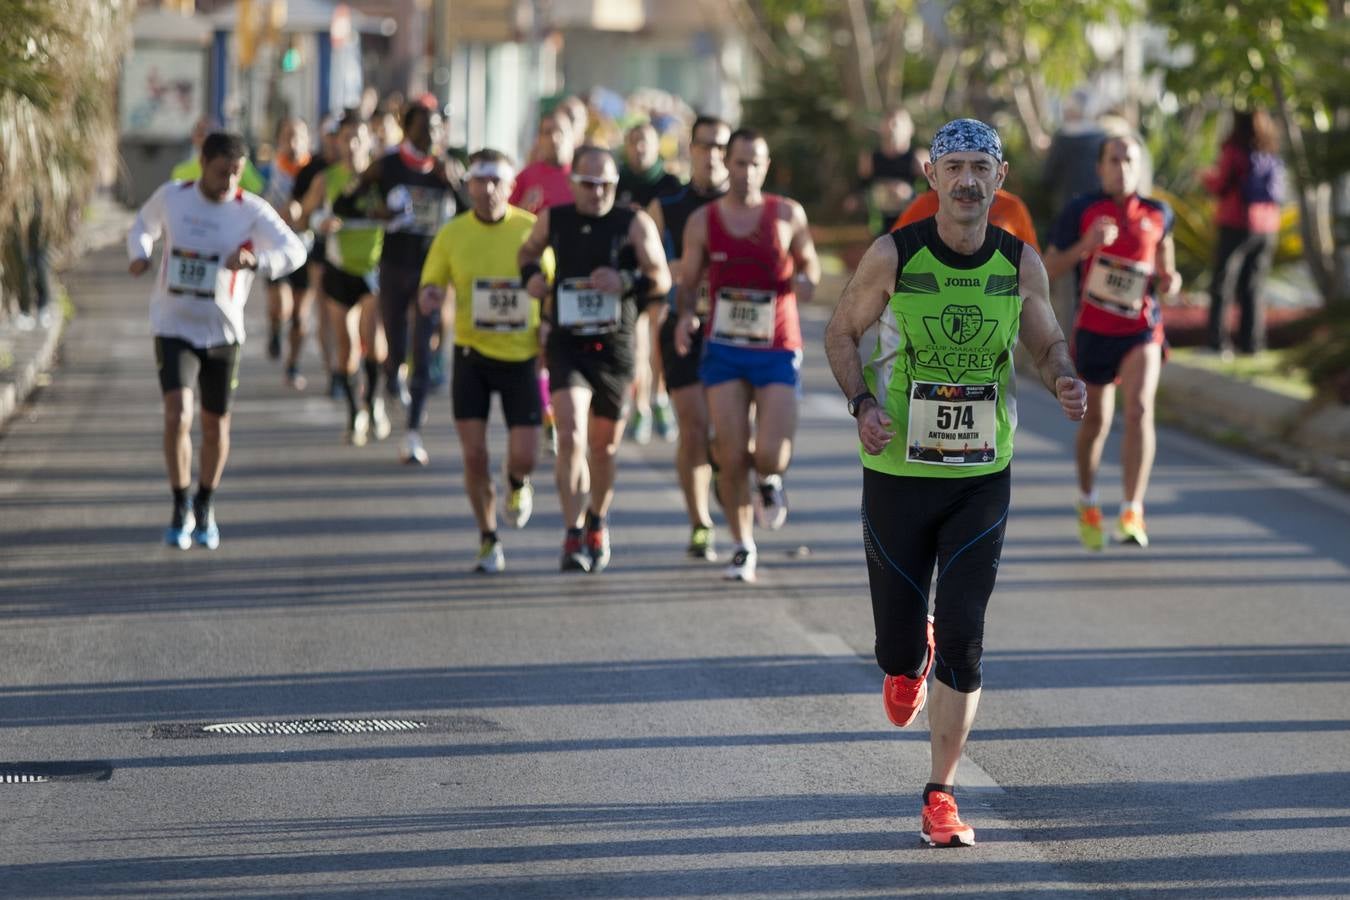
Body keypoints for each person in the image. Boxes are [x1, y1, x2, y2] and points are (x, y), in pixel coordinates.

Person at [823, 118, 1086, 847]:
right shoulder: (893, 256)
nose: (968, 180)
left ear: (1000, 178)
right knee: (899, 652)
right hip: (898, 475)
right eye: (955, 167)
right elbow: (840, 332)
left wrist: (1064, 376)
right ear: (932, 179)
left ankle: (940, 794)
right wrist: (863, 404)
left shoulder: (1018, 261)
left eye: (982, 167)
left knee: (967, 636)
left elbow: (1045, 340)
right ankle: (909, 660)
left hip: (981, 476)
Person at [128, 131, 307, 549]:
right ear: (203, 164)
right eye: (221, 171)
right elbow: (143, 225)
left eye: (236, 173)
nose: (228, 181)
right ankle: (179, 502)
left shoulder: (250, 209)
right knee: (177, 414)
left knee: (214, 425)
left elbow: (294, 251)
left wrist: (255, 260)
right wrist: (138, 254)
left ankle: (205, 502)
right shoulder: (174, 196)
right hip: (173, 325)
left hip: (223, 331)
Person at [673, 128, 821, 583]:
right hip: (724, 348)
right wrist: (684, 317)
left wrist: (806, 283)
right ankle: (742, 545)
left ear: (766, 165)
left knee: (772, 452)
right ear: (727, 163)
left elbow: (810, 264)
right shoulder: (703, 220)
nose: (746, 171)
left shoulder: (786, 214)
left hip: (776, 345)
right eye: (739, 162)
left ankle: (771, 481)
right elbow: (688, 281)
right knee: (731, 453)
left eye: (755, 162)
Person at [518, 145, 672, 573]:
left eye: (606, 184)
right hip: (568, 342)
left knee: (603, 449)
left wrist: (623, 279)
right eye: (588, 184)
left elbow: (661, 276)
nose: (597, 192)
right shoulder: (556, 218)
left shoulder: (633, 222)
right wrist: (532, 279)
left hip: (616, 349)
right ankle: (571, 534)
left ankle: (597, 520)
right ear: (573, 183)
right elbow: (527, 252)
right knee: (570, 436)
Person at [1044, 133, 1182, 550]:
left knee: (1140, 409)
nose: (1121, 167)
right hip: (1094, 332)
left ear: (1139, 166)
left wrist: (1170, 281)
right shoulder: (1081, 210)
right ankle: (1088, 501)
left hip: (1141, 330)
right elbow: (1047, 268)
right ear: (1100, 167)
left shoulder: (1158, 212)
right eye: (1114, 159)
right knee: (1096, 423)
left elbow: (1166, 269)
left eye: (1129, 159)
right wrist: (1087, 247)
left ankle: (1132, 510)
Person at [420, 149, 550, 571]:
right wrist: (431, 296)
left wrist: (547, 330)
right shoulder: (453, 233)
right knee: (474, 456)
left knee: (526, 455)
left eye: (497, 180)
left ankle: (516, 482)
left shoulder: (531, 231)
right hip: (471, 356)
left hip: (521, 357)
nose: (488, 189)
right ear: (469, 185)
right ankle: (488, 536)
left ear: (513, 187)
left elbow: (552, 288)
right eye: (480, 180)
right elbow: (431, 284)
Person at [346, 101, 463, 465]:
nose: (432, 134)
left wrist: (455, 184)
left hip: (432, 267)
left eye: (437, 128)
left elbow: (470, 213)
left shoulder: (448, 167)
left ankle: (412, 433)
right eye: (424, 127)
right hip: (395, 265)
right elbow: (344, 203)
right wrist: (375, 213)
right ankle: (393, 377)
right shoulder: (387, 165)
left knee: (423, 346)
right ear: (406, 128)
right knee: (396, 346)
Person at [650, 114, 732, 561]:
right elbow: (654, 267)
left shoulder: (748, 206)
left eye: (722, 147)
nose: (713, 155)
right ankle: (700, 522)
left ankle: (726, 466)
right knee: (694, 428)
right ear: (691, 150)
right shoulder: (668, 206)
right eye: (705, 146)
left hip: (738, 331)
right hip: (683, 324)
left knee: (733, 434)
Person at [301, 111, 391, 446]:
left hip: (373, 268)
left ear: (370, 141)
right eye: (346, 139)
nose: (352, 145)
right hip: (339, 269)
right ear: (336, 142)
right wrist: (319, 223)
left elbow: (400, 209)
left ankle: (375, 401)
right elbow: (305, 214)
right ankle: (356, 413)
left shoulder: (381, 176)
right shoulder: (327, 179)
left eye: (358, 138)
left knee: (375, 343)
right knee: (347, 346)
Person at [617, 120, 684, 445]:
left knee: (657, 344)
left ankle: (658, 399)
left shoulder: (671, 184)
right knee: (638, 345)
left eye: (645, 142)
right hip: (628, 276)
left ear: (658, 147)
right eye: (634, 142)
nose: (639, 148)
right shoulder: (617, 180)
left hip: (660, 274)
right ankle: (641, 407)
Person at [1203, 109, 1285, 356]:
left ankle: (1217, 343)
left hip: (1236, 223)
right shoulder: (1269, 150)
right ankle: (1253, 344)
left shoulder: (1234, 150)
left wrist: (1205, 178)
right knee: (1253, 287)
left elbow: (1221, 185)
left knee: (1222, 284)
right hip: (1267, 226)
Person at [290, 115, 342, 394]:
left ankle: (350, 367)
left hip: (360, 251)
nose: (335, 141)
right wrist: (311, 218)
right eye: (330, 135)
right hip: (322, 249)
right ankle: (333, 369)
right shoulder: (313, 171)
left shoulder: (366, 169)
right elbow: (299, 212)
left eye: (339, 135)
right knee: (325, 312)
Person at [259, 117, 313, 374]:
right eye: (287, 136)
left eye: (298, 136)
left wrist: (305, 213)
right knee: (281, 305)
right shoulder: (268, 171)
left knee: (301, 316)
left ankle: (293, 362)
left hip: (307, 247)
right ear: (279, 140)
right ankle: (275, 329)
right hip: (276, 246)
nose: (293, 143)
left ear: (307, 140)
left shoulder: (315, 171)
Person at [892, 187, 1040, 253]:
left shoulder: (1011, 206)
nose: (967, 180)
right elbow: (893, 247)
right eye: (955, 167)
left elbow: (1033, 259)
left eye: (979, 167)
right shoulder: (925, 203)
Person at [853, 108, 927, 236]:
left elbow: (935, 196)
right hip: (881, 226)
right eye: (888, 123)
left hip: (913, 224)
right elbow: (859, 192)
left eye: (897, 124)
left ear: (910, 129)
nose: (892, 129)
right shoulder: (869, 159)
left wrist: (910, 194)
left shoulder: (920, 159)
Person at [172, 117, 265, 194]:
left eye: (212, 133)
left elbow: (259, 192)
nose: (206, 137)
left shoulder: (239, 164)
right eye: (201, 133)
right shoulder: (180, 171)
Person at [510, 112, 576, 216]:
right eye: (547, 132)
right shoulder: (524, 177)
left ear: (572, 136)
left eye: (560, 131)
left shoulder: (582, 179)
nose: (554, 139)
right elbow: (508, 221)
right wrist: (523, 208)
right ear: (539, 139)